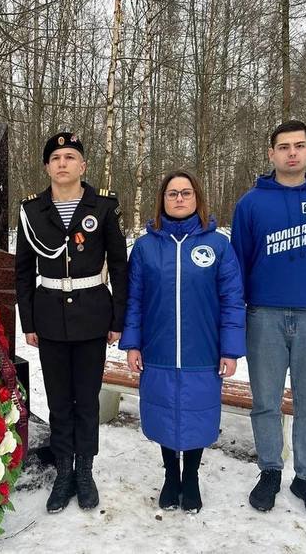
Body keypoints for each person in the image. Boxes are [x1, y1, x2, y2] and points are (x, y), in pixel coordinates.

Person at [230, 120, 306, 524]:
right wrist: (235, 318)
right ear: (271, 155)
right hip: (262, 316)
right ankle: (270, 469)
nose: (291, 153)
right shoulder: (251, 204)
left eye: (298, 146)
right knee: (265, 401)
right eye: (283, 147)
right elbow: (237, 267)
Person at [119, 170, 246, 513]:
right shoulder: (146, 247)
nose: (178, 198)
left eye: (185, 193)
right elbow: (134, 299)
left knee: (196, 415)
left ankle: (190, 476)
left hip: (201, 351)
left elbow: (232, 298)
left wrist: (230, 349)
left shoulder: (217, 244)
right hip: (157, 349)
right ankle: (170, 475)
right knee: (162, 412)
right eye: (172, 193)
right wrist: (132, 343)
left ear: (197, 199)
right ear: (162, 200)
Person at [15, 132, 128, 513]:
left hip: (93, 314)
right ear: (47, 167)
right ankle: (64, 471)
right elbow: (22, 272)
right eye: (55, 158)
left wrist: (118, 317)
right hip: (49, 317)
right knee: (60, 401)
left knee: (87, 402)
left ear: (82, 165)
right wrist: (28, 320)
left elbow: (118, 265)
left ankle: (86, 471)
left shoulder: (104, 207)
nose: (62, 163)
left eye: (70, 156)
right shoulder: (32, 212)